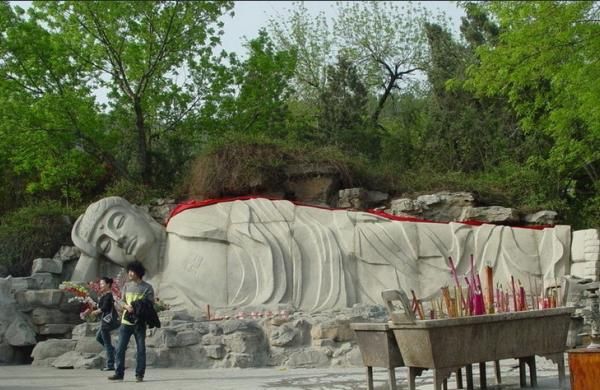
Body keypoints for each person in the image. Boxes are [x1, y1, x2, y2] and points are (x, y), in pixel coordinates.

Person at [71, 196, 571, 313]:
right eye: (107, 248)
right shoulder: (155, 293)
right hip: (324, 298)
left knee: (429, 242)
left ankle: (551, 249)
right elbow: (77, 291)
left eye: (118, 225)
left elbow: (275, 216)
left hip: (325, 244)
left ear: (138, 211)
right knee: (427, 290)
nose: (120, 243)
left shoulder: (186, 221)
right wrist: (85, 254)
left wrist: (335, 225)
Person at [108, 261, 154, 382]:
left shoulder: (147, 288)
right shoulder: (127, 286)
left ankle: (139, 374)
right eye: (129, 271)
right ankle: (119, 373)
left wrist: (138, 306)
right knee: (119, 348)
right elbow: (121, 300)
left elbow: (150, 304)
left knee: (141, 349)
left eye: (132, 271)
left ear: (138, 272)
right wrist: (126, 306)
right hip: (125, 322)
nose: (129, 273)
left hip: (139, 323)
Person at [90, 276, 117, 371]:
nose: (100, 285)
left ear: (108, 284)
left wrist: (96, 312)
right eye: (100, 284)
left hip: (107, 321)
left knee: (107, 343)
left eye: (102, 283)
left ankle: (110, 364)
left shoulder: (109, 295)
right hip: (104, 321)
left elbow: (105, 308)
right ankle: (115, 352)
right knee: (99, 337)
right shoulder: (104, 295)